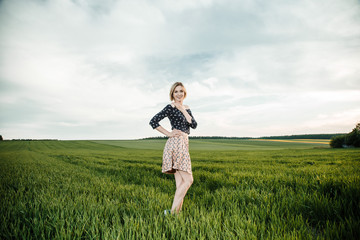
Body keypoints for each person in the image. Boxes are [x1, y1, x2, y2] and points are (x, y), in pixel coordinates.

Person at [149, 82, 197, 215]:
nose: (179, 94)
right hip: (176, 143)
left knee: (181, 182)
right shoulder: (170, 107)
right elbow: (153, 121)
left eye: (181, 91)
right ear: (172, 94)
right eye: (176, 91)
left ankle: (176, 214)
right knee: (189, 180)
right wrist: (169, 134)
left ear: (184, 93)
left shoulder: (186, 108)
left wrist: (182, 109)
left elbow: (193, 125)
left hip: (184, 143)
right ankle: (172, 212)